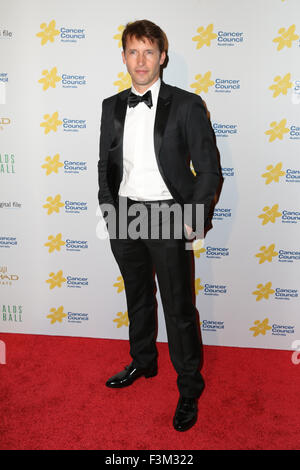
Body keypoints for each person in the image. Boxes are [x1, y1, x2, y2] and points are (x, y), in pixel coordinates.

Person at [98, 19, 221, 431]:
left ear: (162, 57)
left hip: (169, 213)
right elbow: (106, 165)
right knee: (137, 296)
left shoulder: (186, 104)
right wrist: (108, 207)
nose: (141, 60)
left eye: (149, 51)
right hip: (126, 213)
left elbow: (208, 169)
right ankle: (143, 362)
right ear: (123, 57)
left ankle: (189, 388)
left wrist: (194, 215)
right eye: (133, 51)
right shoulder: (111, 105)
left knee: (179, 307)